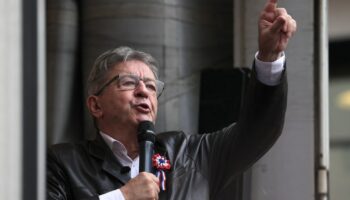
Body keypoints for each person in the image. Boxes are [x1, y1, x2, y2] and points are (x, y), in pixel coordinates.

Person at [47, 0, 297, 199]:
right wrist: (122, 197)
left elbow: (258, 131)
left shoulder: (189, 155)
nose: (143, 91)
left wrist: (269, 56)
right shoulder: (63, 164)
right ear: (95, 105)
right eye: (128, 83)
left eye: (151, 86)